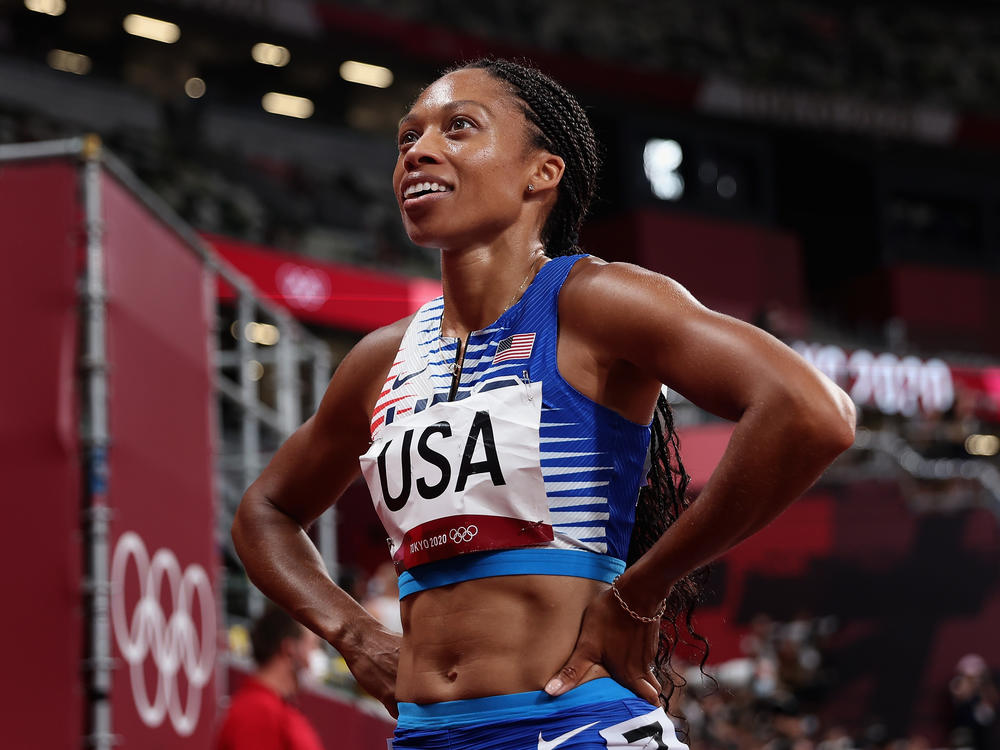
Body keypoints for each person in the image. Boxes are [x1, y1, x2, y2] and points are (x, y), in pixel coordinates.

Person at [232, 58, 856, 749]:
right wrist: (353, 633)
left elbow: (809, 410)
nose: (418, 151)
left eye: (459, 128)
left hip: (576, 726)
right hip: (427, 736)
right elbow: (265, 511)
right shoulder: (382, 359)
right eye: (407, 137)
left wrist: (640, 590)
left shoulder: (592, 302)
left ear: (542, 173)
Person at [215, 604, 324, 750]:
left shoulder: (275, 708)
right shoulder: (258, 711)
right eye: (312, 646)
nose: (314, 657)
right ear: (289, 649)